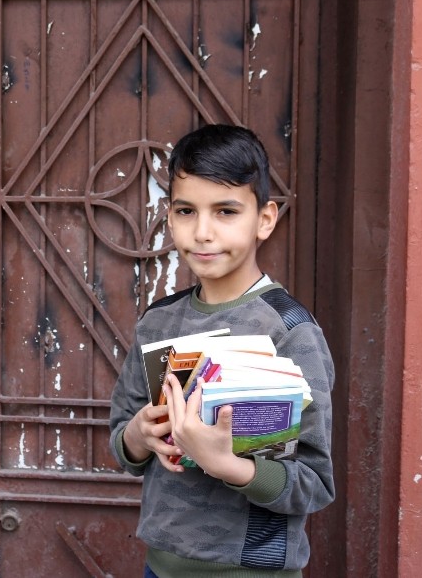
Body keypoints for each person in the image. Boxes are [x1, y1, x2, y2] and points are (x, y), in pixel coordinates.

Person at [109, 124, 335, 577]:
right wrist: (139, 435)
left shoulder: (289, 331)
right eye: (187, 211)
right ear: (170, 218)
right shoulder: (159, 322)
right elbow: (123, 440)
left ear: (265, 219)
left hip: (249, 571)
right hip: (162, 565)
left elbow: (313, 483)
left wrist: (226, 464)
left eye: (226, 211)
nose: (203, 231)